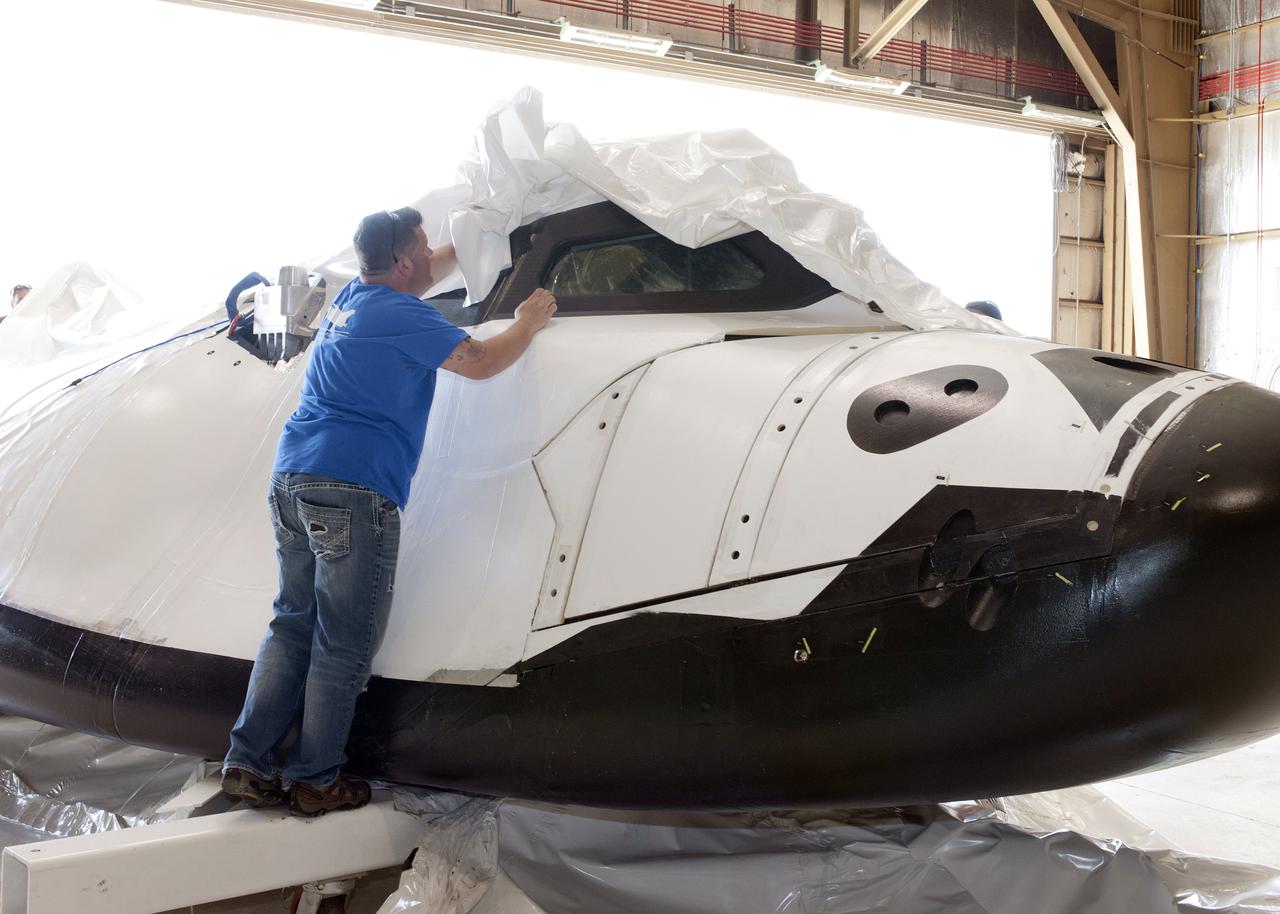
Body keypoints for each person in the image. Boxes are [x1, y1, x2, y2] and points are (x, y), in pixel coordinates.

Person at [221, 207, 557, 815]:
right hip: (352, 487)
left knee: (292, 623)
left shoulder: (355, 297)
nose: (432, 256)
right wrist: (527, 324)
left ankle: (247, 762)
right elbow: (480, 363)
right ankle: (316, 780)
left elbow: (433, 263)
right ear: (402, 262)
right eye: (423, 249)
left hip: (293, 476)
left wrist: (490, 230)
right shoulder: (404, 315)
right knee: (343, 643)